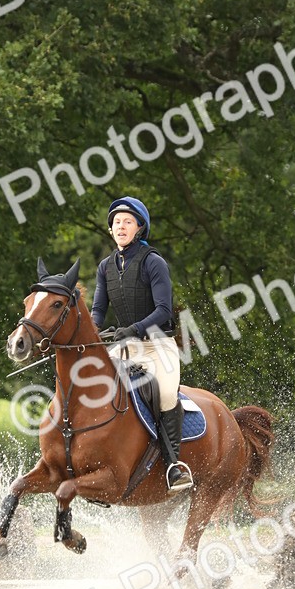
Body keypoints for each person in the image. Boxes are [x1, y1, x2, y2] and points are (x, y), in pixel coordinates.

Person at [91, 196, 194, 493]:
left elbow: (163, 309)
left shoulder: (154, 262)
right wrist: (92, 332)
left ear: (139, 228)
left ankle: (174, 466)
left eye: (127, 222)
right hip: (124, 347)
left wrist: (133, 329)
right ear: (111, 230)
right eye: (116, 222)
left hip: (157, 347)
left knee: (164, 394)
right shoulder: (105, 267)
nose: (120, 226)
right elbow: (97, 310)